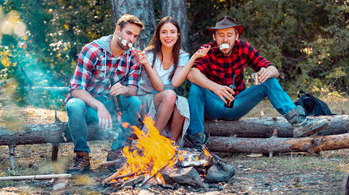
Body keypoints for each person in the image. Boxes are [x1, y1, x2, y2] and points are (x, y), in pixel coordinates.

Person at [186, 15, 330, 148]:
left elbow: (273, 69)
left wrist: (267, 71)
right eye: (221, 35)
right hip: (213, 105)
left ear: (236, 36)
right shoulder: (207, 50)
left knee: (269, 81)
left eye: (229, 35)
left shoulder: (243, 47)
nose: (225, 39)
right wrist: (216, 88)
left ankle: (298, 122)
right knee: (196, 88)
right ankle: (197, 140)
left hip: (236, 104)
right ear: (214, 37)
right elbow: (192, 73)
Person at [64, 14, 144, 173]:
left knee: (135, 102)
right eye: (128, 33)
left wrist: (125, 89)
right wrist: (98, 105)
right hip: (87, 106)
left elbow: (133, 89)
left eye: (135, 36)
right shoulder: (92, 50)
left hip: (112, 106)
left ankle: (117, 151)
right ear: (117, 29)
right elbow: (76, 89)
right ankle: (82, 156)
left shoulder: (133, 56)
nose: (132, 39)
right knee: (74, 105)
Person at [136, 16, 209, 145]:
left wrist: (194, 57)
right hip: (144, 99)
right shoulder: (149, 54)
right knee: (171, 95)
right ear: (158, 35)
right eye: (164, 32)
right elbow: (159, 87)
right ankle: (151, 142)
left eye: (172, 32)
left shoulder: (182, 56)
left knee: (181, 103)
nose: (168, 36)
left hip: (166, 101)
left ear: (178, 35)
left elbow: (175, 82)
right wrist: (146, 64)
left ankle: (172, 145)